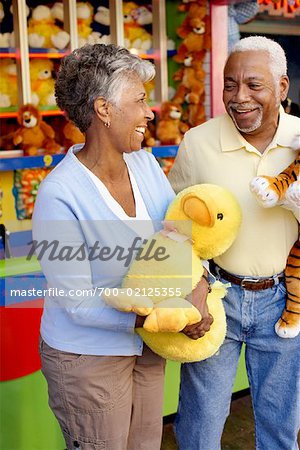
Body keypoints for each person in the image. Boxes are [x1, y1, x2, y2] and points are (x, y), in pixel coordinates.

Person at [32, 43, 179, 450]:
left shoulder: (146, 165)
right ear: (104, 109)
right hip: (88, 360)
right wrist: (165, 317)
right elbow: (77, 301)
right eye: (140, 101)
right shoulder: (60, 194)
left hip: (147, 348)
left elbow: (179, 239)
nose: (150, 112)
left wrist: (197, 289)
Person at [168, 36, 300, 450]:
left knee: (280, 425)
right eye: (230, 84)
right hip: (215, 297)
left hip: (286, 300)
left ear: (282, 88)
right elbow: (173, 226)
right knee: (200, 425)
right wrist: (191, 284)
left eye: (254, 85)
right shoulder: (198, 142)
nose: (239, 97)